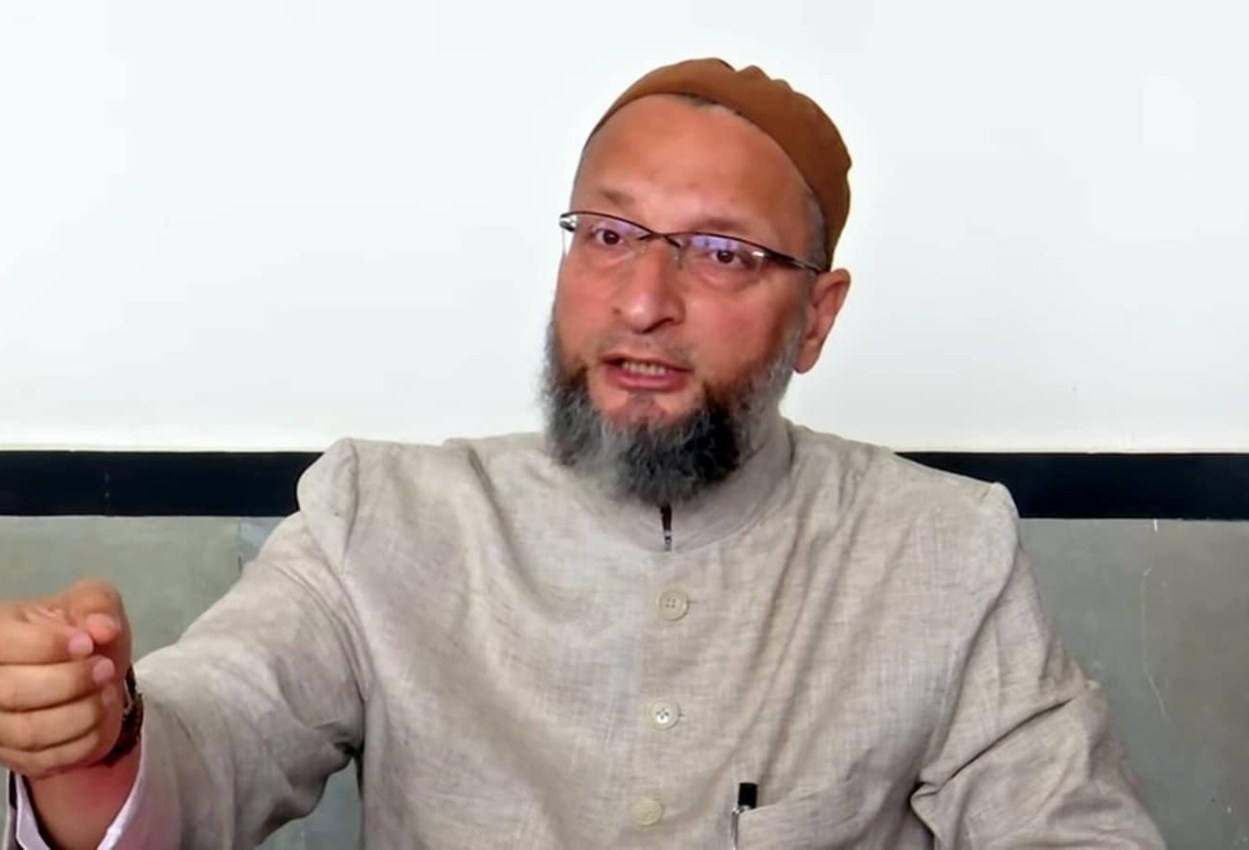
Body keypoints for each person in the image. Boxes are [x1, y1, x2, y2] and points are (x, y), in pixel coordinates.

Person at [2, 57, 1164, 849]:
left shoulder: (940, 551)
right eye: (608, 235)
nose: (643, 299)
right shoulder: (384, 519)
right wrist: (101, 736)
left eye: (720, 253)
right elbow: (209, 749)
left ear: (816, 317)